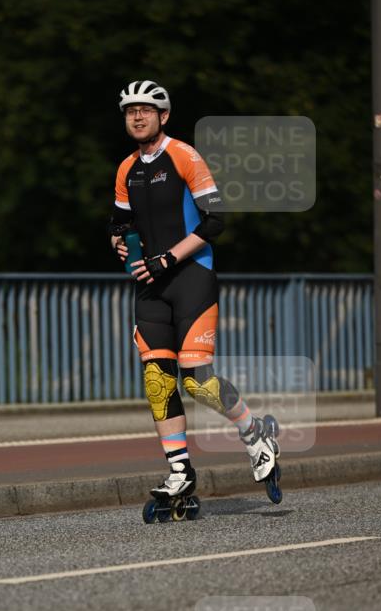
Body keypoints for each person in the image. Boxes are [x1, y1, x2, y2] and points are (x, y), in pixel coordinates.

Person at [110, 79, 279, 503]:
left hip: (191, 278)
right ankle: (180, 470)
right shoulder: (126, 168)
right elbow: (119, 225)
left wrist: (168, 258)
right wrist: (120, 247)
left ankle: (254, 431)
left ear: (163, 116)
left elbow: (215, 221)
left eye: (146, 109)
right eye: (131, 110)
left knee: (198, 382)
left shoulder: (184, 155)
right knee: (157, 381)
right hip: (149, 287)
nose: (137, 116)